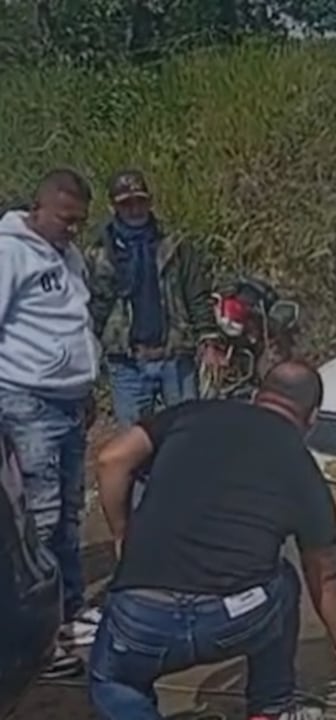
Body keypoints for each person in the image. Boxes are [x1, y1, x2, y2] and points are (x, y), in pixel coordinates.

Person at [88, 361, 336, 720]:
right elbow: (326, 573)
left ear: (256, 396)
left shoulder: (191, 414)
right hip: (236, 616)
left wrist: (122, 533)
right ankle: (271, 708)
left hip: (144, 617)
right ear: (312, 418)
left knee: (115, 681)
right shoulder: (303, 470)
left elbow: (111, 458)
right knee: (284, 582)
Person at [0, 168, 99, 679]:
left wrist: (87, 388)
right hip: (27, 400)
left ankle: (72, 609)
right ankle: (40, 633)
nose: (74, 230)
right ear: (39, 209)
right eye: (66, 219)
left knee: (71, 513)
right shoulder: (9, 252)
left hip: (69, 401)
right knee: (38, 519)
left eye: (81, 222)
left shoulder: (70, 255)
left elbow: (76, 322)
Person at [86, 169, 220, 428]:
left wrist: (209, 339)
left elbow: (196, 293)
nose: (135, 209)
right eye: (126, 204)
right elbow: (91, 308)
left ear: (150, 201)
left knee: (188, 430)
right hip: (126, 362)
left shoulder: (175, 245)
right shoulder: (97, 254)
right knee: (134, 439)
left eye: (140, 201)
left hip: (174, 356)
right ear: (112, 206)